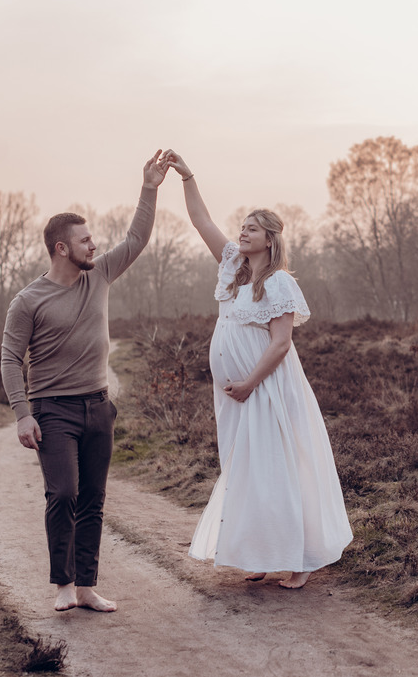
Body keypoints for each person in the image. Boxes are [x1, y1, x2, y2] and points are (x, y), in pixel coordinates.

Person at [164, 150, 353, 589]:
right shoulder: (233, 270)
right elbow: (201, 221)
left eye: (251, 228)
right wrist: (187, 176)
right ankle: (265, 553)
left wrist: (250, 382)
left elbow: (282, 342)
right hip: (235, 393)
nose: (241, 232)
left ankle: (302, 560)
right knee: (247, 470)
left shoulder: (280, 282)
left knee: (277, 468)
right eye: (242, 227)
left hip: (266, 388)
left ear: (268, 239)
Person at [1, 150, 171, 612]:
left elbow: (137, 238)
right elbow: (10, 359)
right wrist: (22, 415)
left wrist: (149, 188)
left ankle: (86, 587)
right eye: (86, 240)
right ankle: (62, 584)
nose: (94, 246)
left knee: (93, 499)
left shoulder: (101, 277)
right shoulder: (27, 301)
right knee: (64, 494)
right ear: (62, 248)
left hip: (99, 406)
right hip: (53, 410)